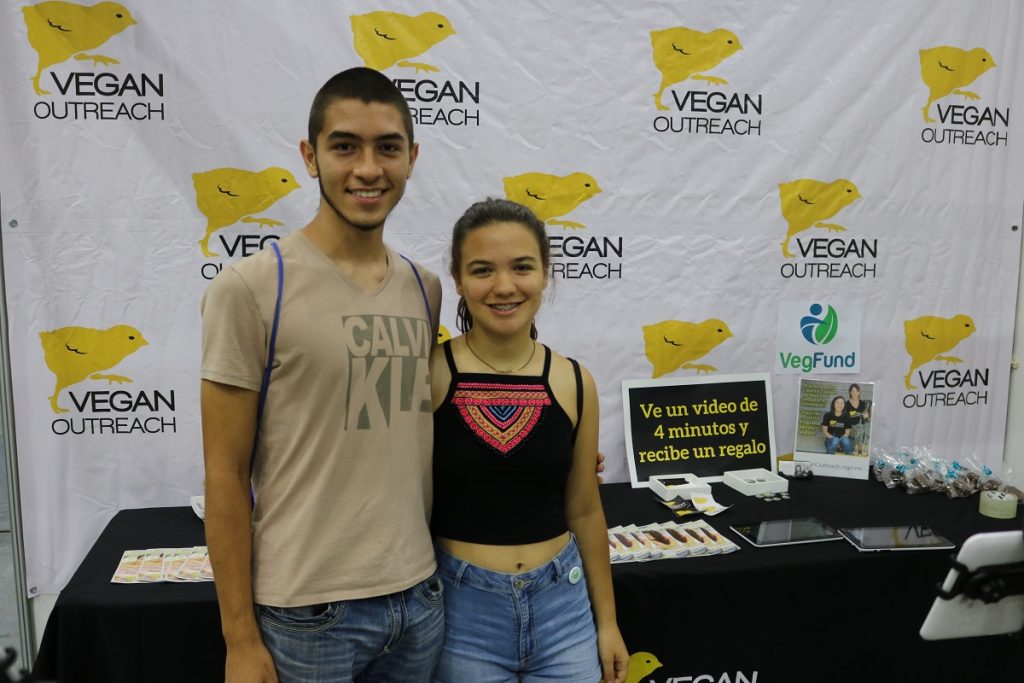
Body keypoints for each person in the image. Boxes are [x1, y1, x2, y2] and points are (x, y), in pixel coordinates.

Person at [200, 67, 444, 682]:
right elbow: (224, 475)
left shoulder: (426, 288)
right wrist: (238, 639)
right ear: (310, 157)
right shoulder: (251, 288)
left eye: (388, 147)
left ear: (412, 158)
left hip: (420, 598)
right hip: (305, 613)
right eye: (344, 147)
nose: (368, 168)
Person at [429, 198, 629, 682]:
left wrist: (608, 623)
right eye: (482, 270)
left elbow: (584, 510)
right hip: (460, 614)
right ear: (457, 279)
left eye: (522, 267)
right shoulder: (429, 375)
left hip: (565, 610)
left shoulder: (575, 381)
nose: (504, 287)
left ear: (545, 274)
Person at [845, 383, 871, 456]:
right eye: (853, 391)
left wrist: (867, 416)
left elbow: (866, 417)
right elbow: (845, 419)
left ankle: (862, 448)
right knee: (860, 427)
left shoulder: (863, 403)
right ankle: (856, 448)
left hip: (862, 426)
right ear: (850, 392)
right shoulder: (846, 404)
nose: (855, 393)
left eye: (857, 391)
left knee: (867, 426)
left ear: (859, 392)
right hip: (851, 428)